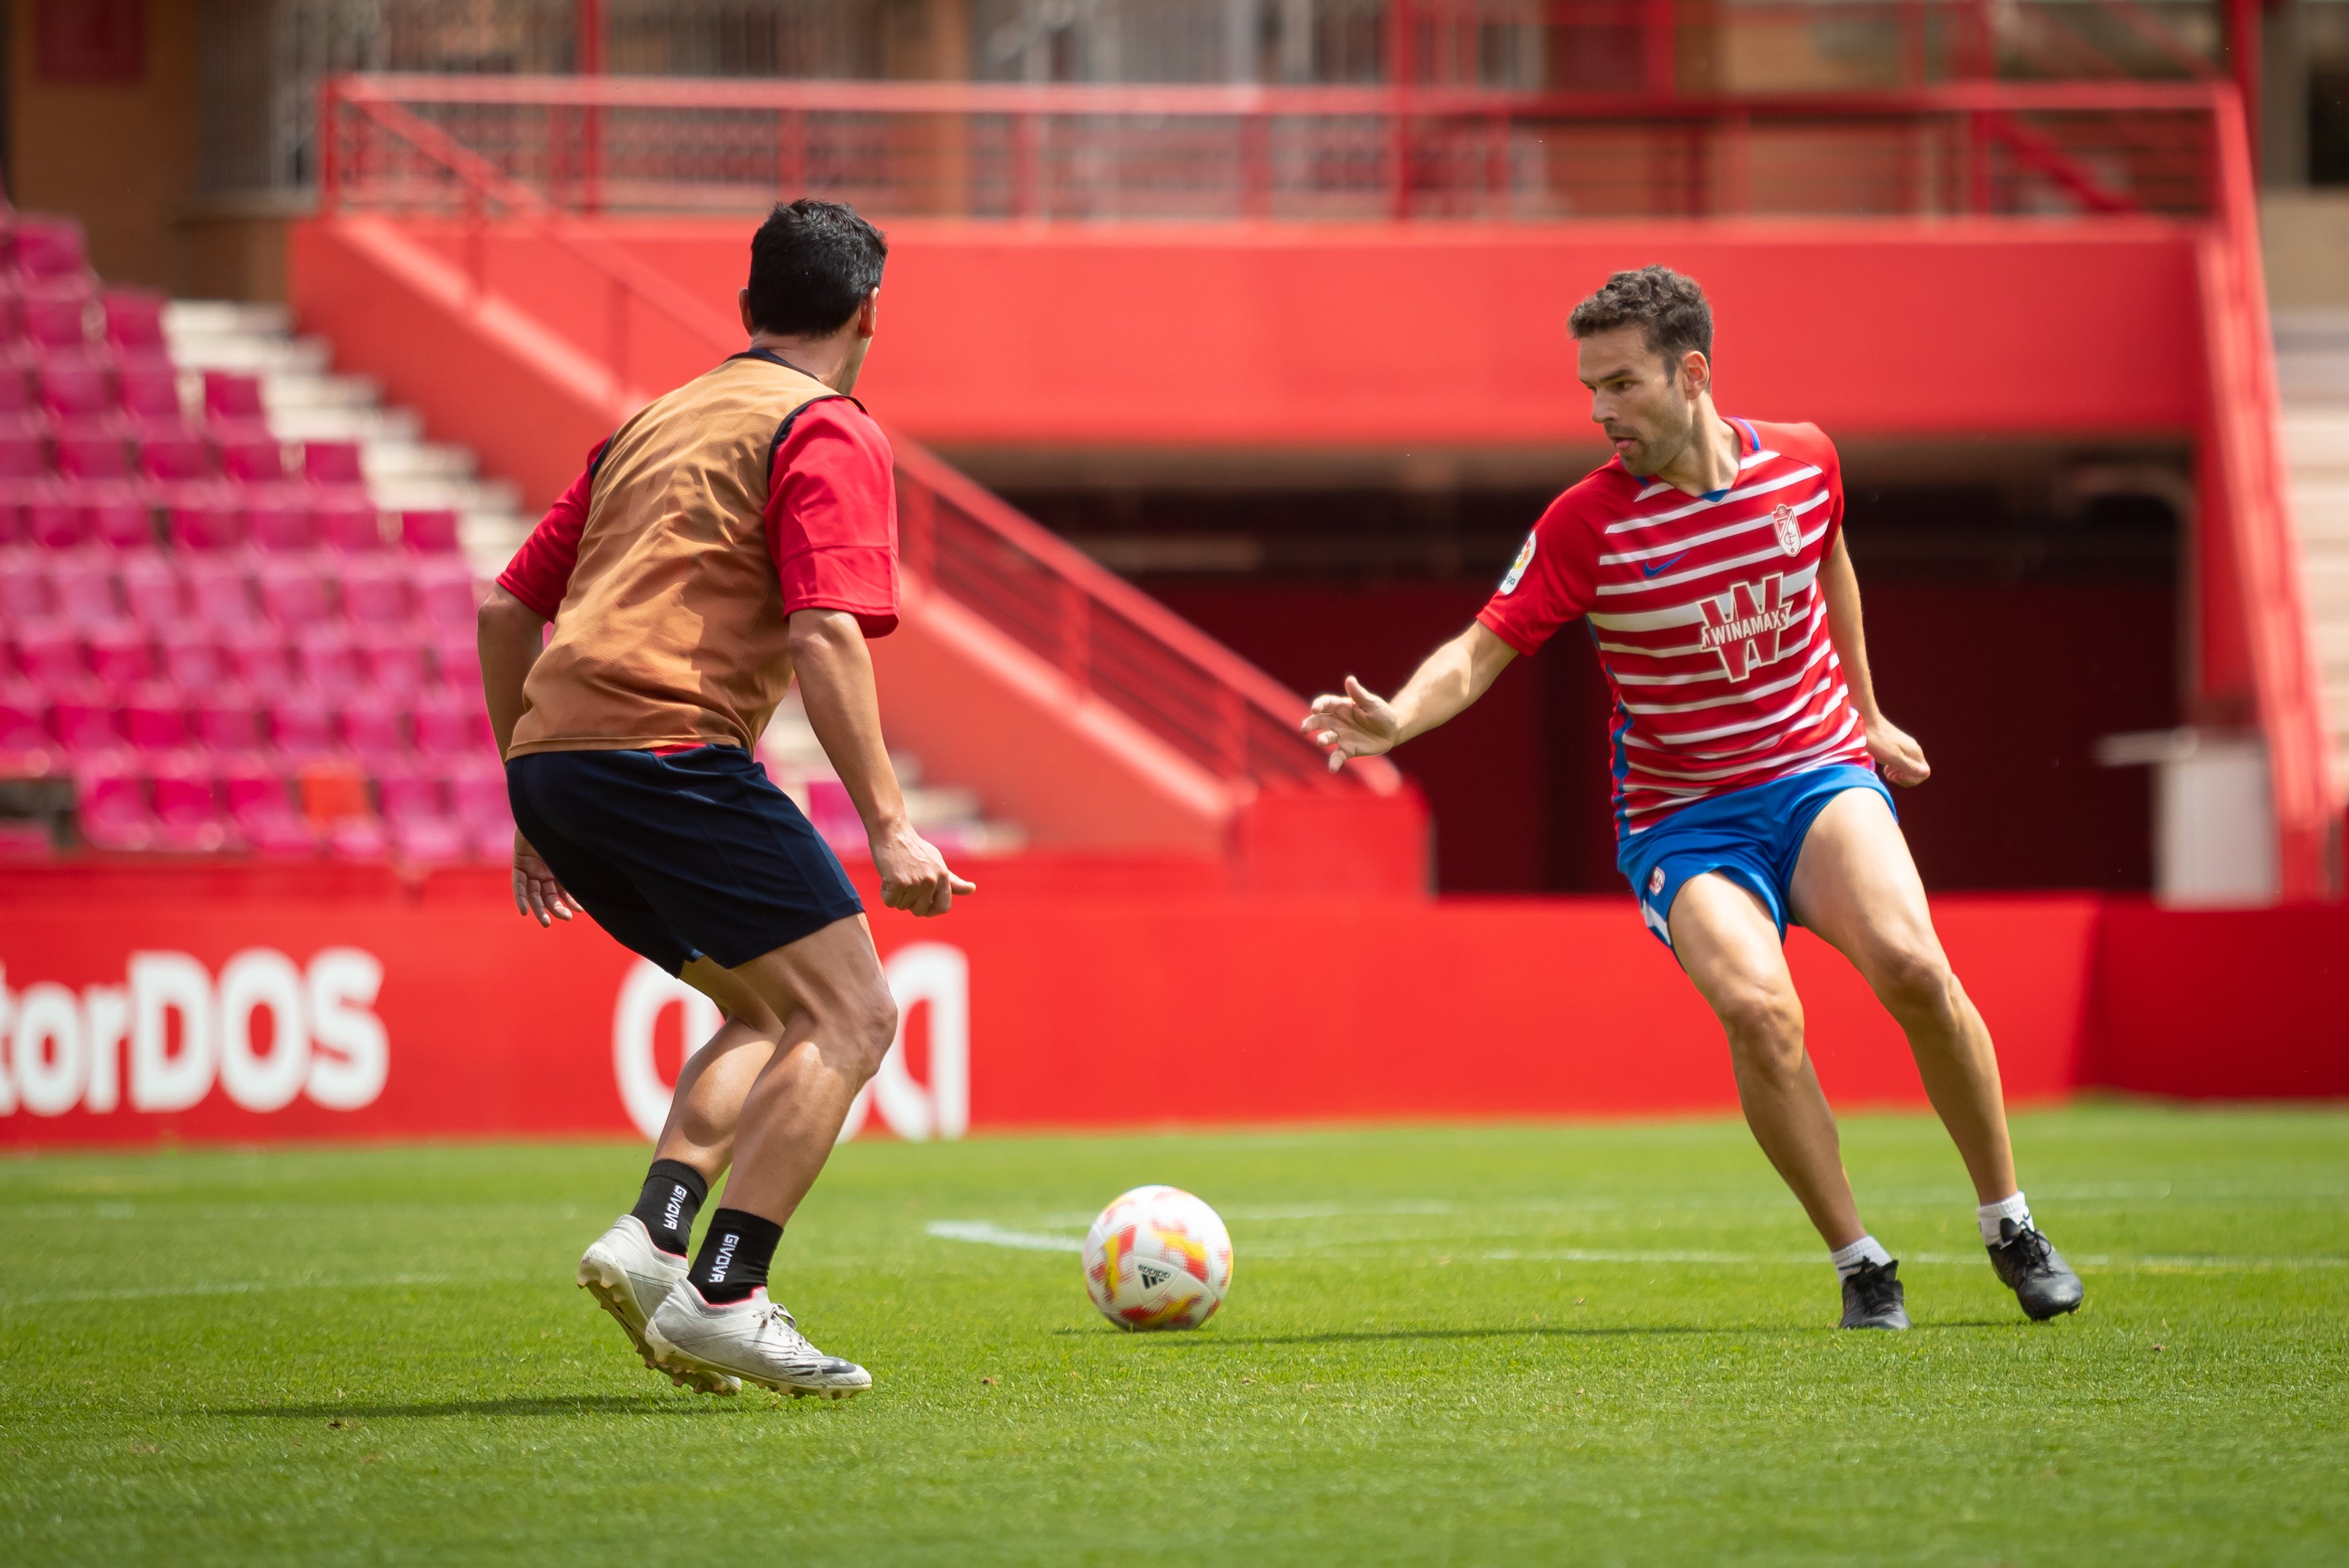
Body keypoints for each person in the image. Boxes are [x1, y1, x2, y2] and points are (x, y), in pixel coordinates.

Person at [1300, 266, 2083, 1330]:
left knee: (1912, 966)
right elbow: (1484, 651)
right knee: (1762, 1013)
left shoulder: (1807, 461)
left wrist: (1868, 707)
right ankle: (1862, 1260)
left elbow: (1830, 559)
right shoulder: (1585, 525)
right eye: (1591, 389)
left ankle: (2011, 1223)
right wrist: (1397, 714)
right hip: (1685, 816)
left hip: (1816, 772)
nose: (1600, 411)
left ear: (1693, 371)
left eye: (1622, 384)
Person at [478, 198, 973, 1396]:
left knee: (767, 1010)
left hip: (559, 761)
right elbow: (824, 634)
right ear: (868, 315)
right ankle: (728, 1290)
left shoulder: (649, 423)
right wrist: (891, 822)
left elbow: (505, 609)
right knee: (852, 1017)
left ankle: (653, 1235)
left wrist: (526, 799)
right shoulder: (826, 427)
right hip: (668, 751)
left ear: (746, 309)